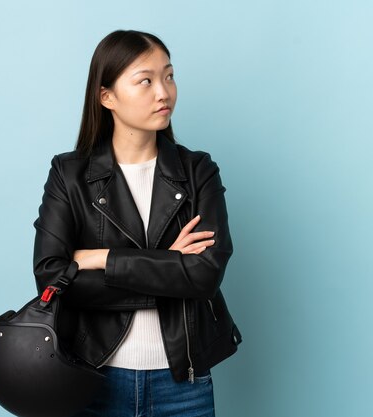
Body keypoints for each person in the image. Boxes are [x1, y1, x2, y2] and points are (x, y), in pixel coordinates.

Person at [33, 29, 241, 417]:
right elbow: (53, 279)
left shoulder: (198, 172)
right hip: (93, 377)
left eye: (169, 76)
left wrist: (100, 257)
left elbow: (204, 275)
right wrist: (167, 265)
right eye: (145, 80)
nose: (163, 92)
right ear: (106, 96)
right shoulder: (69, 174)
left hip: (184, 385)